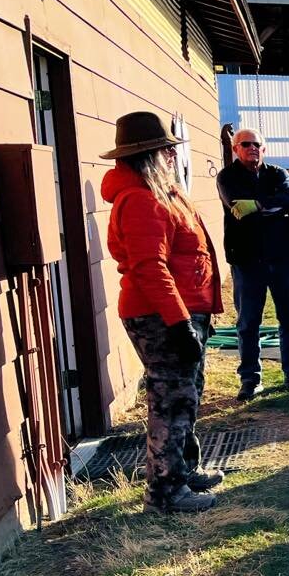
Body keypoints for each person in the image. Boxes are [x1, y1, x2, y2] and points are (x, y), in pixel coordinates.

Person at [100, 112, 223, 513]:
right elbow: (150, 268)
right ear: (149, 156)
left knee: (185, 395)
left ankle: (183, 470)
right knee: (171, 400)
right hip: (160, 316)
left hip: (179, 312)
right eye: (166, 149)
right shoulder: (139, 200)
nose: (173, 154)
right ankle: (165, 492)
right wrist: (179, 321)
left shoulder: (161, 192)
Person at [216, 127, 289, 400]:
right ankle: (250, 379)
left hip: (281, 257)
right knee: (249, 322)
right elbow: (237, 207)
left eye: (257, 144)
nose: (252, 148)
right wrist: (272, 209)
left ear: (264, 148)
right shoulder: (227, 177)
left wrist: (257, 206)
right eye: (245, 144)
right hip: (247, 260)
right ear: (236, 149)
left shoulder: (278, 174)